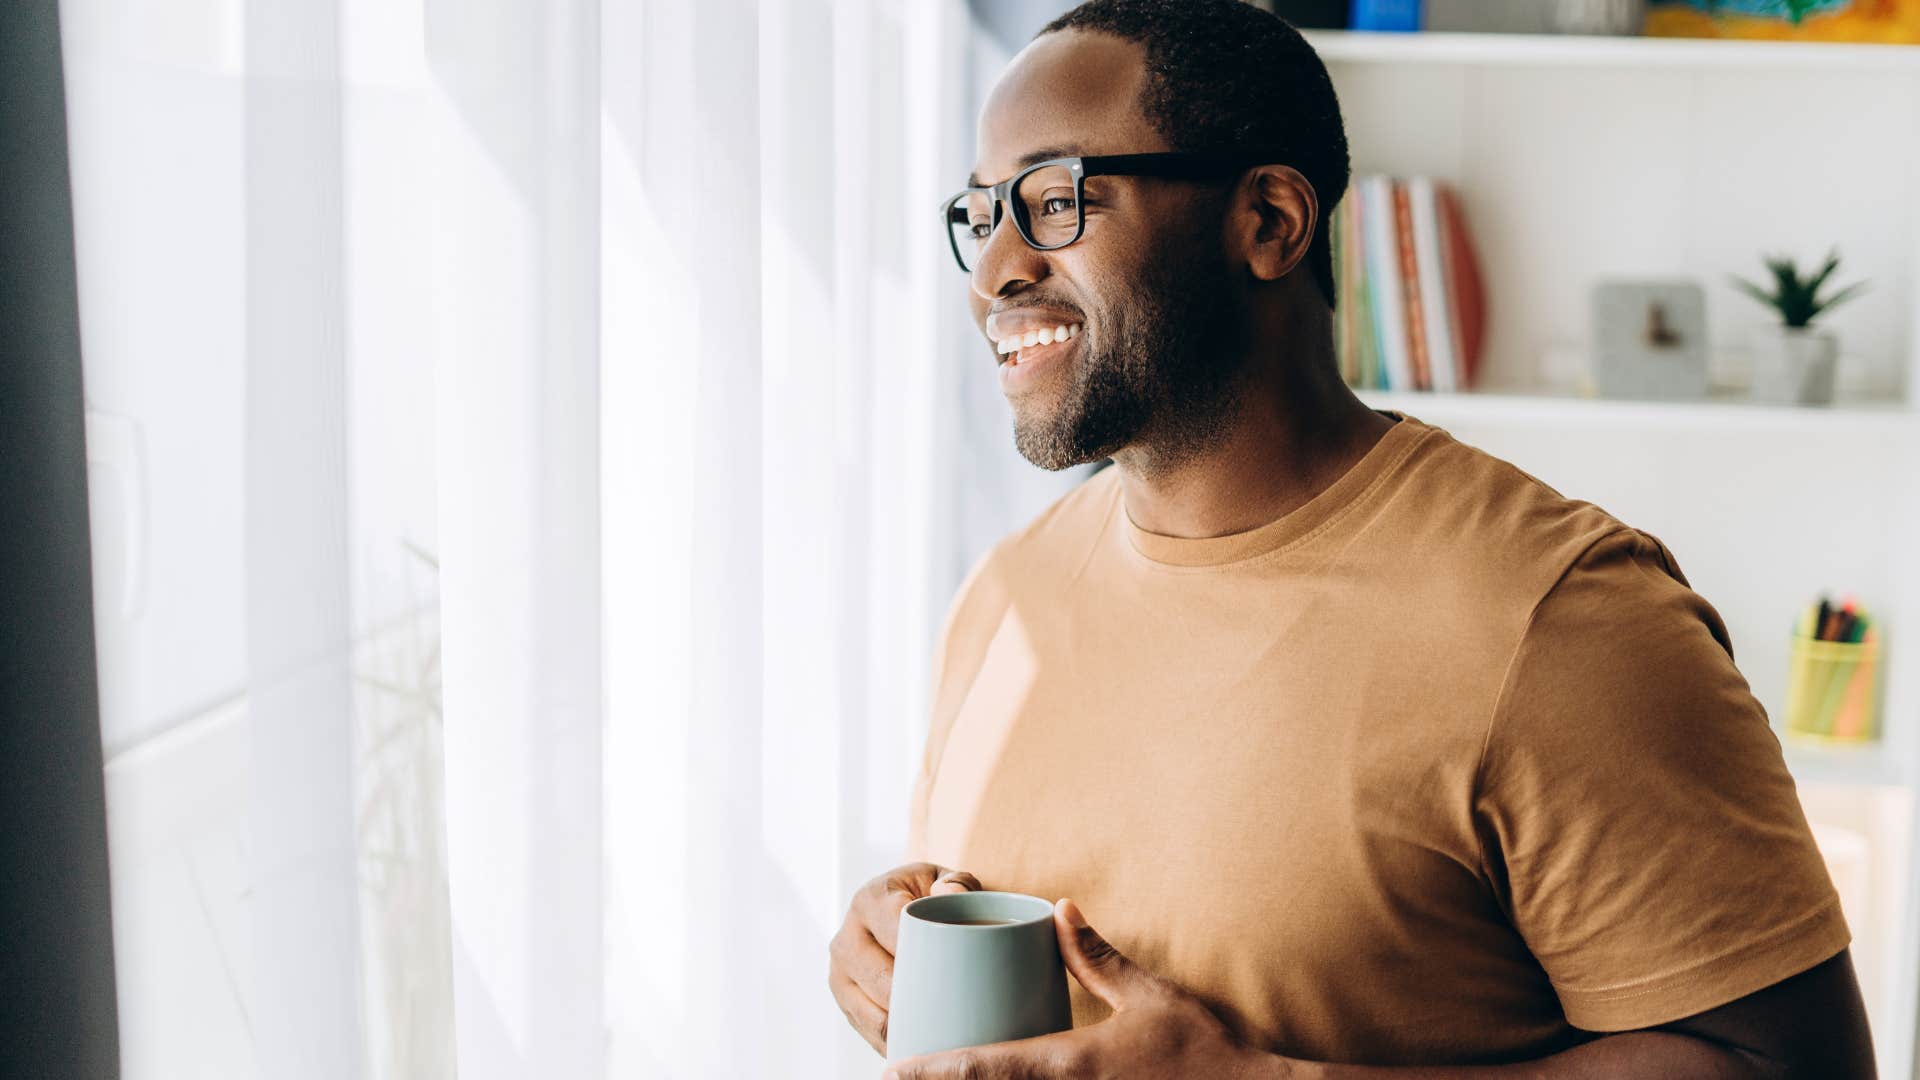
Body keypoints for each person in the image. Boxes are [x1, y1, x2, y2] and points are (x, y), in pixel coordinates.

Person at [828, 1, 1875, 1075]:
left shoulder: (1563, 620)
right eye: (980, 212)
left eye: (1054, 200)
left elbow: (1789, 1065)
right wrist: (889, 941)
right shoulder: (1006, 598)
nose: (993, 268)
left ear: (1272, 222)